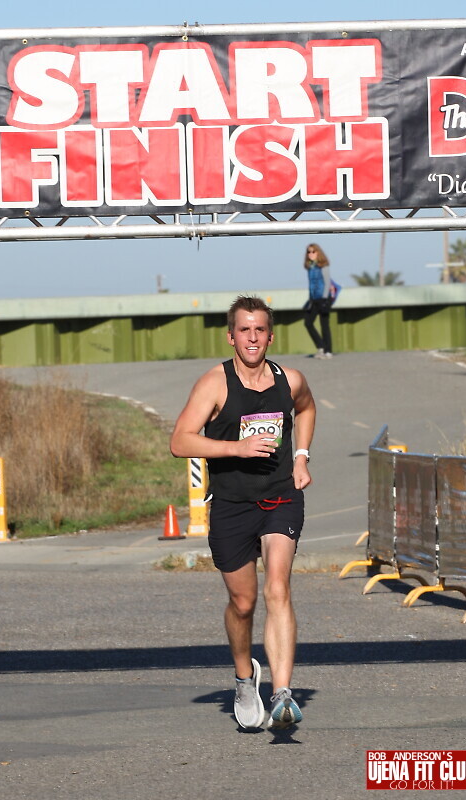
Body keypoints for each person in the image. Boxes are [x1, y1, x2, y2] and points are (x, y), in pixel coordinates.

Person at [170, 295, 316, 731]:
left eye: (260, 330)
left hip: (280, 496)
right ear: (230, 337)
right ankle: (243, 677)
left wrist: (302, 456)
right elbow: (180, 440)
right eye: (244, 330)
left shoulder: (290, 380)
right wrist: (237, 447)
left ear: (270, 336)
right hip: (232, 505)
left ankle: (282, 693)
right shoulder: (214, 384)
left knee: (278, 587)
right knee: (243, 602)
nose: (252, 338)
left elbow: (307, 408)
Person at [303, 243, 333, 358]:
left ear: (318, 252)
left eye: (313, 251)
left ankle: (328, 350)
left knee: (324, 324)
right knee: (308, 322)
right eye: (308, 252)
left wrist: (325, 299)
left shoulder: (323, 266)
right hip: (313, 299)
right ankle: (321, 346)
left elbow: (327, 282)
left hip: (323, 298)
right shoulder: (310, 267)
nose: (310, 254)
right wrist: (310, 298)